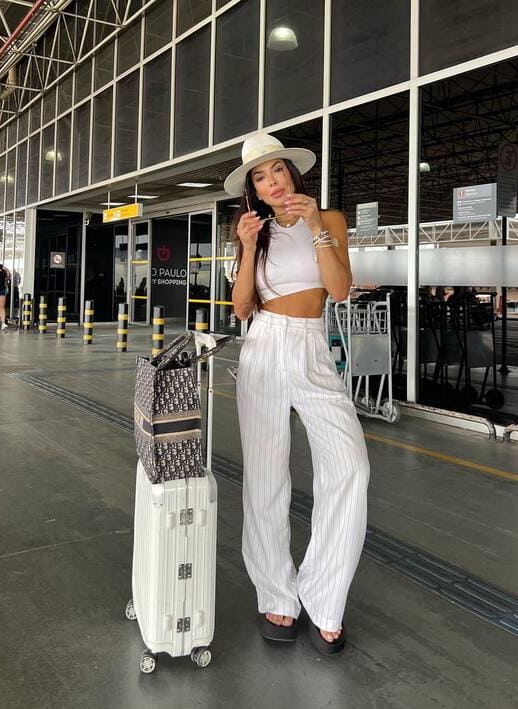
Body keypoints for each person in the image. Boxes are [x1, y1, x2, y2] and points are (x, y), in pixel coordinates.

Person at [225, 132, 370, 655]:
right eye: (260, 178)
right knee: (265, 476)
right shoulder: (251, 231)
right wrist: (244, 248)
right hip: (263, 346)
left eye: (277, 171)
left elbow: (338, 290)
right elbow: (241, 309)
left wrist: (314, 228)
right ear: (254, 190)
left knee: (351, 465)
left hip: (311, 346)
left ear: (292, 173)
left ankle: (324, 595)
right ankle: (277, 592)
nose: (272, 182)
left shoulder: (327, 219)